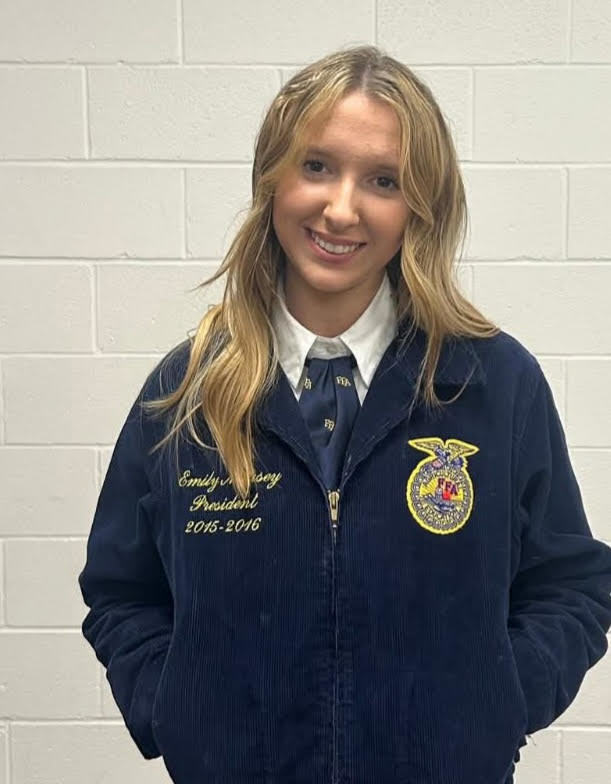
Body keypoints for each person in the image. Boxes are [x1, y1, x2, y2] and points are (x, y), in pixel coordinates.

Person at [78, 44, 611, 784]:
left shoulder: (491, 382)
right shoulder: (187, 393)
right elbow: (120, 591)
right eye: (317, 166)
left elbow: (570, 583)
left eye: (383, 180)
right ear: (272, 179)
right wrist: (177, 709)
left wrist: (497, 700)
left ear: (418, 207)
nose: (340, 207)